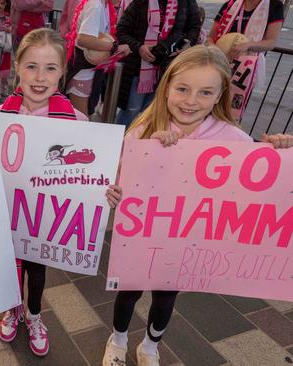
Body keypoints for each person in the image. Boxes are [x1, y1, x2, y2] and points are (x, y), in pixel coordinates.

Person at [102, 45, 292, 366]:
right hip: (142, 237)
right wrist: (115, 191)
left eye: (205, 92)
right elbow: (120, 179)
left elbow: (262, 182)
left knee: (165, 298)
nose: (191, 101)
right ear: (167, 88)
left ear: (219, 97)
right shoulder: (144, 130)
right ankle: (117, 340)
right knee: (128, 293)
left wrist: (281, 152)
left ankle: (150, 346)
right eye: (182, 89)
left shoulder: (232, 139)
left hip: (184, 244)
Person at [0, 28, 88, 357]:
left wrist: (106, 192)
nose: (39, 77)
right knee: (7, 266)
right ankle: (12, 309)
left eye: (50, 68)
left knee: (36, 269)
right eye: (31, 66)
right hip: (6, 216)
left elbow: (90, 180)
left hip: (43, 220)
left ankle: (33, 315)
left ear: (63, 72)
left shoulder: (78, 123)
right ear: (17, 66)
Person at [115, 0, 201, 126]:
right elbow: (122, 30)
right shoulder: (141, 2)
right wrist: (139, 47)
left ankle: (141, 142)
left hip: (168, 70)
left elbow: (194, 27)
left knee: (152, 114)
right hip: (139, 70)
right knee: (131, 112)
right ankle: (121, 142)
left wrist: (187, 44)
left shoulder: (186, 2)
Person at [208, 0, 283, 119]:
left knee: (232, 108)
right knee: (210, 99)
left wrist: (248, 45)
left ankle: (228, 131)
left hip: (245, 68)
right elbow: (211, 37)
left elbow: (271, 42)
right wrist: (213, 47)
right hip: (219, 61)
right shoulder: (230, 5)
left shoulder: (274, 6)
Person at [61, 0, 131, 115]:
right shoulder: (95, 5)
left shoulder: (102, 4)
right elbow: (84, 39)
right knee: (81, 118)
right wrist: (115, 47)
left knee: (81, 116)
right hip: (82, 71)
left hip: (88, 69)